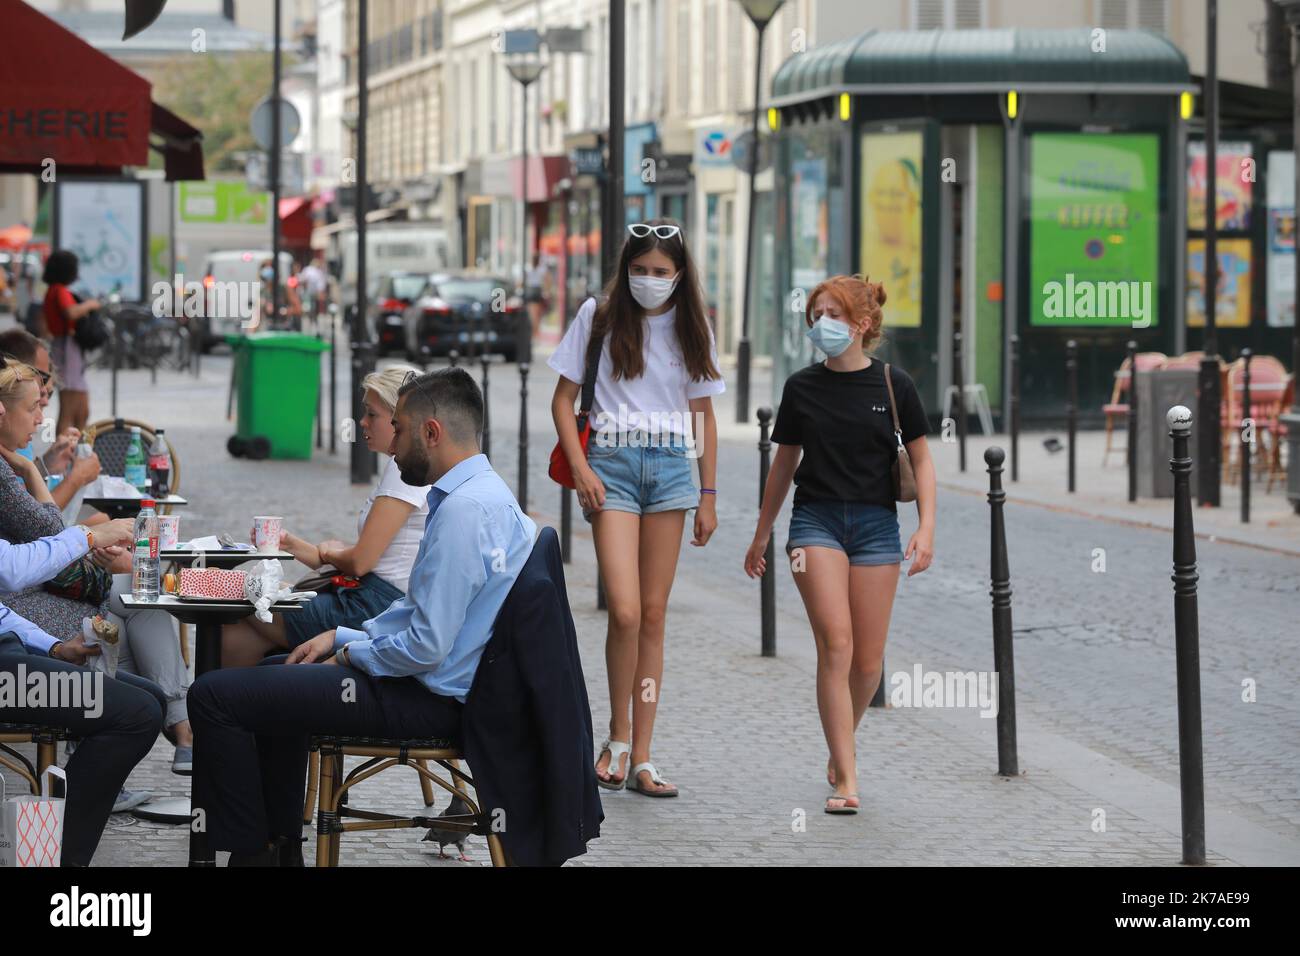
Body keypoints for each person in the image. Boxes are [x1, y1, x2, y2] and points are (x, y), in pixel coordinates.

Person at [187, 367, 536, 865]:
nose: (393, 444)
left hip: (430, 698)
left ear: (430, 433)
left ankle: (251, 853)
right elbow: (418, 614)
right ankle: (279, 846)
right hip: (441, 685)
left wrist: (353, 652)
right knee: (272, 674)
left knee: (213, 695)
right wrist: (342, 634)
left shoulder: (463, 511)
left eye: (401, 428)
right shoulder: (486, 494)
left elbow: (426, 646)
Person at [744, 275, 936, 815]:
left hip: (877, 526)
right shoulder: (801, 387)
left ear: (863, 323)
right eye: (816, 312)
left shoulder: (895, 386)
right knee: (838, 644)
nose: (820, 322)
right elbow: (783, 465)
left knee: (869, 664)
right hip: (816, 524)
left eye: (833, 312)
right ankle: (846, 776)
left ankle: (840, 744)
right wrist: (763, 534)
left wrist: (926, 527)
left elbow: (922, 461)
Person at [548, 219, 724, 798]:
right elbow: (563, 399)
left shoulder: (694, 324)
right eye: (640, 270)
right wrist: (582, 468)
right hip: (613, 466)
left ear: (679, 275)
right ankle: (617, 737)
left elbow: (703, 414)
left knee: (653, 614)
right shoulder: (598, 315)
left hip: (673, 467)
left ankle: (644, 755)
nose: (650, 281)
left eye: (661, 272)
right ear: (626, 270)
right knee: (623, 610)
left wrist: (708, 494)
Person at [0, 359, 194, 777]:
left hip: (43, 584)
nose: (42, 415)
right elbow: (48, 535)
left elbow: (47, 535)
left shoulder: (12, 457)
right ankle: (168, 732)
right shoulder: (6, 466)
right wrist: (43, 475)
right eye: (35, 405)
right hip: (29, 596)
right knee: (122, 621)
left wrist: (43, 471)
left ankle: (177, 730)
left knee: (142, 599)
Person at [220, 365, 430, 667]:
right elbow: (355, 561)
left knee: (240, 592)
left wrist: (334, 551)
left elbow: (360, 562)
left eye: (372, 414)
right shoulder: (400, 469)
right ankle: (229, 703)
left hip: (371, 609)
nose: (362, 422)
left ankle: (212, 707)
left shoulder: (402, 472)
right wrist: (290, 544)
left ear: (399, 419)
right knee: (237, 626)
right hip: (368, 597)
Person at [0, 328, 103, 515]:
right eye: (42, 378)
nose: (45, 395)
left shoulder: (15, 435)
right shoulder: (11, 430)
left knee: (102, 521)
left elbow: (21, 499)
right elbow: (38, 523)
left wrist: (44, 465)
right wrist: (77, 477)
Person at [41, 250, 99, 435]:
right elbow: (71, 312)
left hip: (64, 347)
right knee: (69, 408)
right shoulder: (59, 291)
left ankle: (77, 451)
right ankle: (64, 454)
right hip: (67, 349)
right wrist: (90, 305)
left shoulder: (52, 291)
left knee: (81, 408)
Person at [525, 254, 549, 340]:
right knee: (537, 314)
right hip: (537, 291)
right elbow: (546, 281)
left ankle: (533, 332)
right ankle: (536, 332)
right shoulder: (541, 269)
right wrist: (546, 292)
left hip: (530, 290)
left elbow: (523, 280)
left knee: (531, 314)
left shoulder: (527, 268)